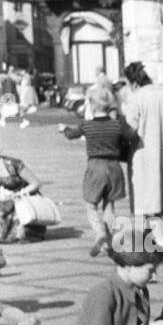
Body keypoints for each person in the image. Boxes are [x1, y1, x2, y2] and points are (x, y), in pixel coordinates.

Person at [58, 85, 137, 257]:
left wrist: (64, 128)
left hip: (95, 167)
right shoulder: (117, 125)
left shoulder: (87, 125)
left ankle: (100, 232)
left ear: (92, 105)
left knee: (91, 205)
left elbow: (71, 134)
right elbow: (132, 135)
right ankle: (114, 241)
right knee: (109, 207)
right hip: (114, 168)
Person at [121, 61, 163, 248]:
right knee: (160, 194)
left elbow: (130, 128)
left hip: (142, 153)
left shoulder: (136, 98)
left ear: (133, 83)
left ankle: (152, 239)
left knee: (144, 195)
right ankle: (158, 236)